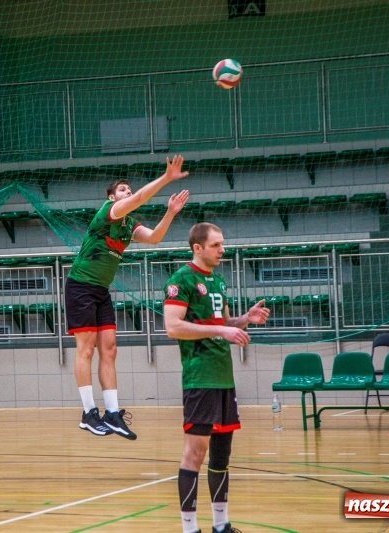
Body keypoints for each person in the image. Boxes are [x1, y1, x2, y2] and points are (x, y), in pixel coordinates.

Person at [66, 155, 190, 440]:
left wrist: (170, 212)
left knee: (109, 350)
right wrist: (166, 178)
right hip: (80, 286)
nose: (128, 192)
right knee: (86, 349)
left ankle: (112, 414)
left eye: (129, 189)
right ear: (112, 197)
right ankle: (88, 413)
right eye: (123, 190)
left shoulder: (129, 224)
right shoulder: (108, 211)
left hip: (100, 290)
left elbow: (154, 238)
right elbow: (138, 200)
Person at [163, 222, 270, 533]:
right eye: (216, 245)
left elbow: (223, 322)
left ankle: (221, 525)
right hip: (200, 378)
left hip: (224, 378)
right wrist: (222, 329)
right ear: (198, 248)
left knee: (222, 454)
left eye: (222, 243)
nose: (222, 249)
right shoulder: (181, 280)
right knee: (195, 453)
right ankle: (189, 528)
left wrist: (244, 320)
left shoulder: (218, 281)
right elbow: (173, 326)